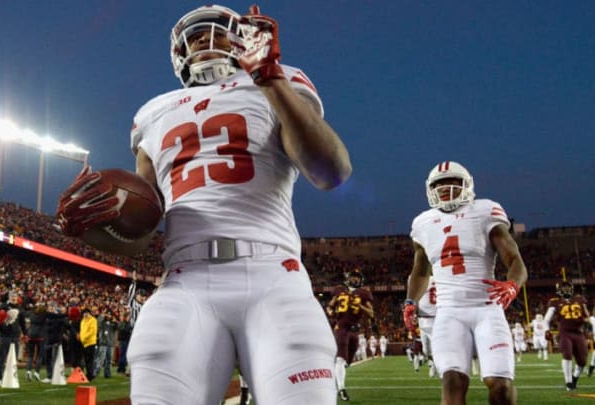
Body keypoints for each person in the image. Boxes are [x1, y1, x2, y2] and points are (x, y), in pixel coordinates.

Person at [55, 4, 351, 404]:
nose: (203, 41)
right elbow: (142, 234)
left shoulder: (279, 82)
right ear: (179, 53)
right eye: (194, 36)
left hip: (272, 273)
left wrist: (270, 78)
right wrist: (94, 229)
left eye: (215, 32)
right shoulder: (152, 114)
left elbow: (330, 171)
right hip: (184, 279)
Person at [403, 161, 528, 405]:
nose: (445, 188)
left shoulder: (485, 210)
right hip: (448, 313)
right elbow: (420, 270)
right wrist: (410, 301)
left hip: (487, 309)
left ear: (467, 185)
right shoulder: (423, 222)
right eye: (439, 184)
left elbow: (515, 260)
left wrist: (512, 284)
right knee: (452, 380)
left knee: (500, 386)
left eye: (451, 182)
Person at [326, 270, 374, 401]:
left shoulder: (364, 293)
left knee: (347, 362)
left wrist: (361, 307)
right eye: (353, 277)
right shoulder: (339, 290)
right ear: (348, 278)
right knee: (340, 359)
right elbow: (330, 305)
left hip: (354, 331)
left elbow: (371, 313)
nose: (355, 279)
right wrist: (330, 310)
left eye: (358, 278)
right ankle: (341, 389)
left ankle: (334, 371)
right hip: (341, 327)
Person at [543, 281, 590, 391]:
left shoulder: (579, 299)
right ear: (559, 290)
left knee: (582, 361)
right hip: (565, 332)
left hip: (579, 332)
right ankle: (568, 382)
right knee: (567, 354)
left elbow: (587, 315)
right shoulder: (555, 302)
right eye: (563, 288)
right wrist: (547, 330)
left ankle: (574, 378)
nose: (566, 290)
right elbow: (547, 319)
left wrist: (588, 323)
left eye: (568, 288)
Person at [0, 291, 27, 387]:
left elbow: (23, 324)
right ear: (9, 297)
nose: (14, 297)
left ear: (17, 297)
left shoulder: (20, 309)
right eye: (12, 296)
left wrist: (25, 334)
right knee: (2, 358)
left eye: (15, 296)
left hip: (15, 337)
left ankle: (11, 376)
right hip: (5, 335)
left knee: (13, 358)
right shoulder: (3, 306)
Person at [79, 308, 98, 382]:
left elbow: (92, 331)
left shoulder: (93, 320)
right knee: (86, 360)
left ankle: (90, 375)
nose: (85, 314)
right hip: (84, 343)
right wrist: (82, 338)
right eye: (84, 313)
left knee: (90, 360)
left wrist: (84, 338)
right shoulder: (82, 321)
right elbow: (82, 331)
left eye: (87, 313)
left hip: (90, 342)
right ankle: (89, 374)